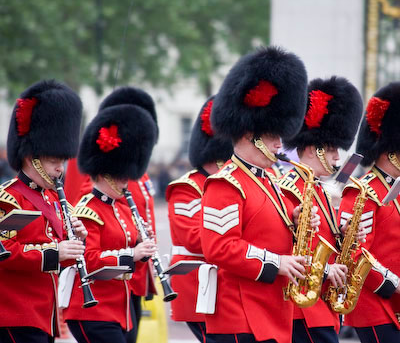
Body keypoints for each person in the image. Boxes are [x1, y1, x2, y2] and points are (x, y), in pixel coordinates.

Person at [200, 46, 313, 343]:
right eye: (274, 136)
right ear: (251, 133)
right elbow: (219, 248)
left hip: (272, 308)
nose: (280, 144)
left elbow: (262, 224)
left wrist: (297, 219)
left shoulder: (271, 179)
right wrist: (277, 262)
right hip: (240, 315)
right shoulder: (225, 183)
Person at [338, 81, 400, 343]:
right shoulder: (362, 191)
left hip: (399, 302)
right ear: (391, 150)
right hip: (372, 302)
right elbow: (355, 253)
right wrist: (393, 284)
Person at [64, 86, 160, 343]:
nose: (127, 180)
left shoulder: (122, 201)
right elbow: (90, 256)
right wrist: (132, 254)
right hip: (98, 304)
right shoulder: (92, 206)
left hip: (125, 291)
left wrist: (142, 243)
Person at [0, 80, 87, 342]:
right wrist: (54, 252)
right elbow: (5, 252)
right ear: (31, 158)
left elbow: (64, 260)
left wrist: (77, 242)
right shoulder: (8, 199)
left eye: (62, 161)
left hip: (44, 314)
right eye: (53, 161)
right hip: (14, 314)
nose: (60, 168)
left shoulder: (56, 202)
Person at [279, 76, 363, 343]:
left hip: (321, 305)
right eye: (331, 149)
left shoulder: (318, 188)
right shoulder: (290, 188)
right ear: (314, 149)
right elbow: (288, 248)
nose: (338, 157)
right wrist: (326, 271)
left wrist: (343, 232)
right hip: (303, 309)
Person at [166, 95, 233, 341]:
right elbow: (195, 239)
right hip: (199, 285)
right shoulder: (186, 188)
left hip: (225, 287)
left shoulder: (230, 185)